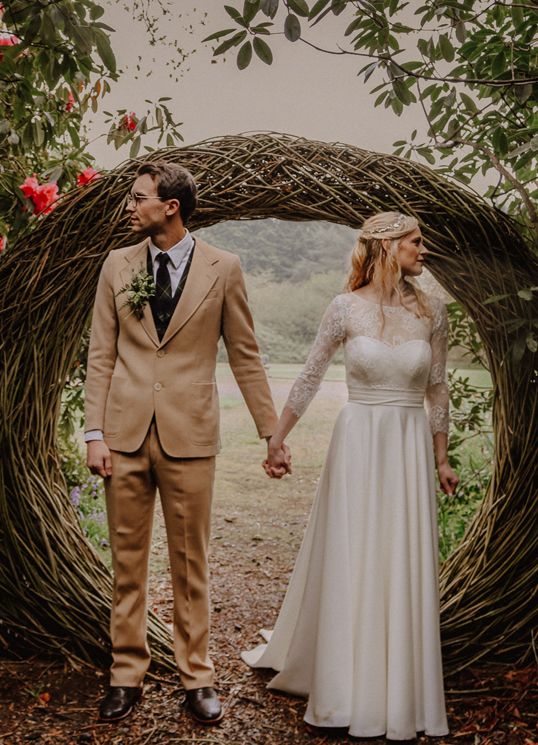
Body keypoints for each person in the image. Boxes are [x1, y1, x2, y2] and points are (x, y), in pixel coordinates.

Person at [84, 161, 290, 724]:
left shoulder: (225, 268)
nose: (129, 206)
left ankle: (195, 676)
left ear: (170, 206)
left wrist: (271, 432)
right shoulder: (116, 265)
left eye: (138, 197)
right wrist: (94, 432)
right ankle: (125, 674)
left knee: (189, 563)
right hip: (124, 436)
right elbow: (101, 353)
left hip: (191, 437)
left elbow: (244, 353)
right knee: (128, 563)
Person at [243, 212, 459, 740]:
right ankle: (344, 686)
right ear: (386, 247)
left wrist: (441, 456)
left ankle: (398, 685)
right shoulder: (344, 307)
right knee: (355, 550)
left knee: (399, 553)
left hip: (408, 445)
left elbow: (437, 390)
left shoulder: (431, 311)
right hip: (359, 442)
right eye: (415, 242)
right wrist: (278, 435)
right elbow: (312, 373)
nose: (423, 250)